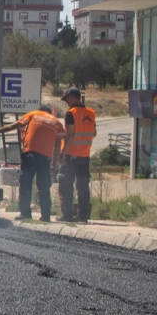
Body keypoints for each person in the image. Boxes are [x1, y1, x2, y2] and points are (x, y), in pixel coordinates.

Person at [0, 105, 65, 221]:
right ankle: (46, 216)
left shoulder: (33, 114)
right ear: (50, 113)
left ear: (40, 110)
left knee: (25, 184)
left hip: (30, 154)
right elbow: (57, 147)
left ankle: (25, 213)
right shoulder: (56, 122)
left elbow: (12, 126)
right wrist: (54, 167)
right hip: (45, 158)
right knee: (44, 187)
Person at [58, 86, 97, 223]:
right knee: (83, 187)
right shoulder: (91, 113)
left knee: (66, 186)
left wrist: (62, 154)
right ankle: (83, 216)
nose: (66, 102)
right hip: (85, 156)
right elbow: (94, 133)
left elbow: (70, 136)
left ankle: (67, 215)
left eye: (67, 99)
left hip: (71, 155)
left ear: (72, 97)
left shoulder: (71, 113)